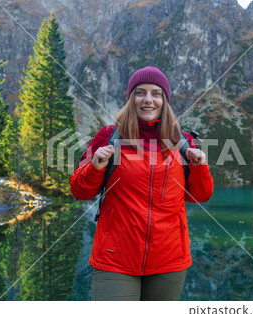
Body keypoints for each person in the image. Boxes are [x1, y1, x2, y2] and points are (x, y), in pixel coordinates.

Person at [69, 66, 214, 301]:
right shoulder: (108, 137)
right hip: (114, 260)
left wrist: (199, 166)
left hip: (169, 262)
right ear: (130, 98)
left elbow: (200, 196)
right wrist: (95, 167)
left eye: (156, 93)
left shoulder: (183, 142)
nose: (148, 100)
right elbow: (79, 189)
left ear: (165, 100)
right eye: (140, 92)